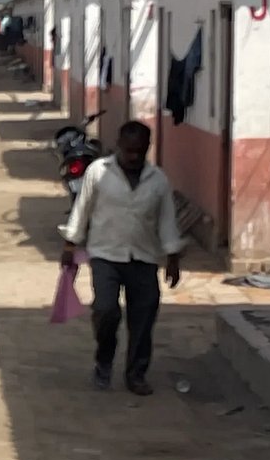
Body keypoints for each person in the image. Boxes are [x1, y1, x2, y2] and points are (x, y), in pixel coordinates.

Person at [58, 121, 183, 396]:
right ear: (119, 146)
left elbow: (166, 221)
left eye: (139, 151)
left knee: (143, 316)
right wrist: (70, 245)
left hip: (144, 257)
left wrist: (172, 256)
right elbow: (82, 208)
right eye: (129, 151)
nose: (134, 157)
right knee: (105, 311)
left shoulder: (158, 180)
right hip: (105, 254)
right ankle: (104, 361)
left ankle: (136, 373)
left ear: (147, 148)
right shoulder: (98, 172)